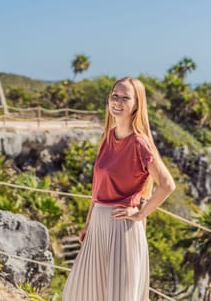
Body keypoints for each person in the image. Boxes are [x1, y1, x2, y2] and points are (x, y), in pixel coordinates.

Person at [63, 77, 176, 301]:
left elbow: (167, 185)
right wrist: (88, 225)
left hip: (121, 229)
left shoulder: (139, 143)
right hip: (97, 226)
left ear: (136, 105)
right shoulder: (108, 137)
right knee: (82, 294)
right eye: (115, 95)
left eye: (125, 98)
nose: (118, 101)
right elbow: (97, 189)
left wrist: (141, 213)